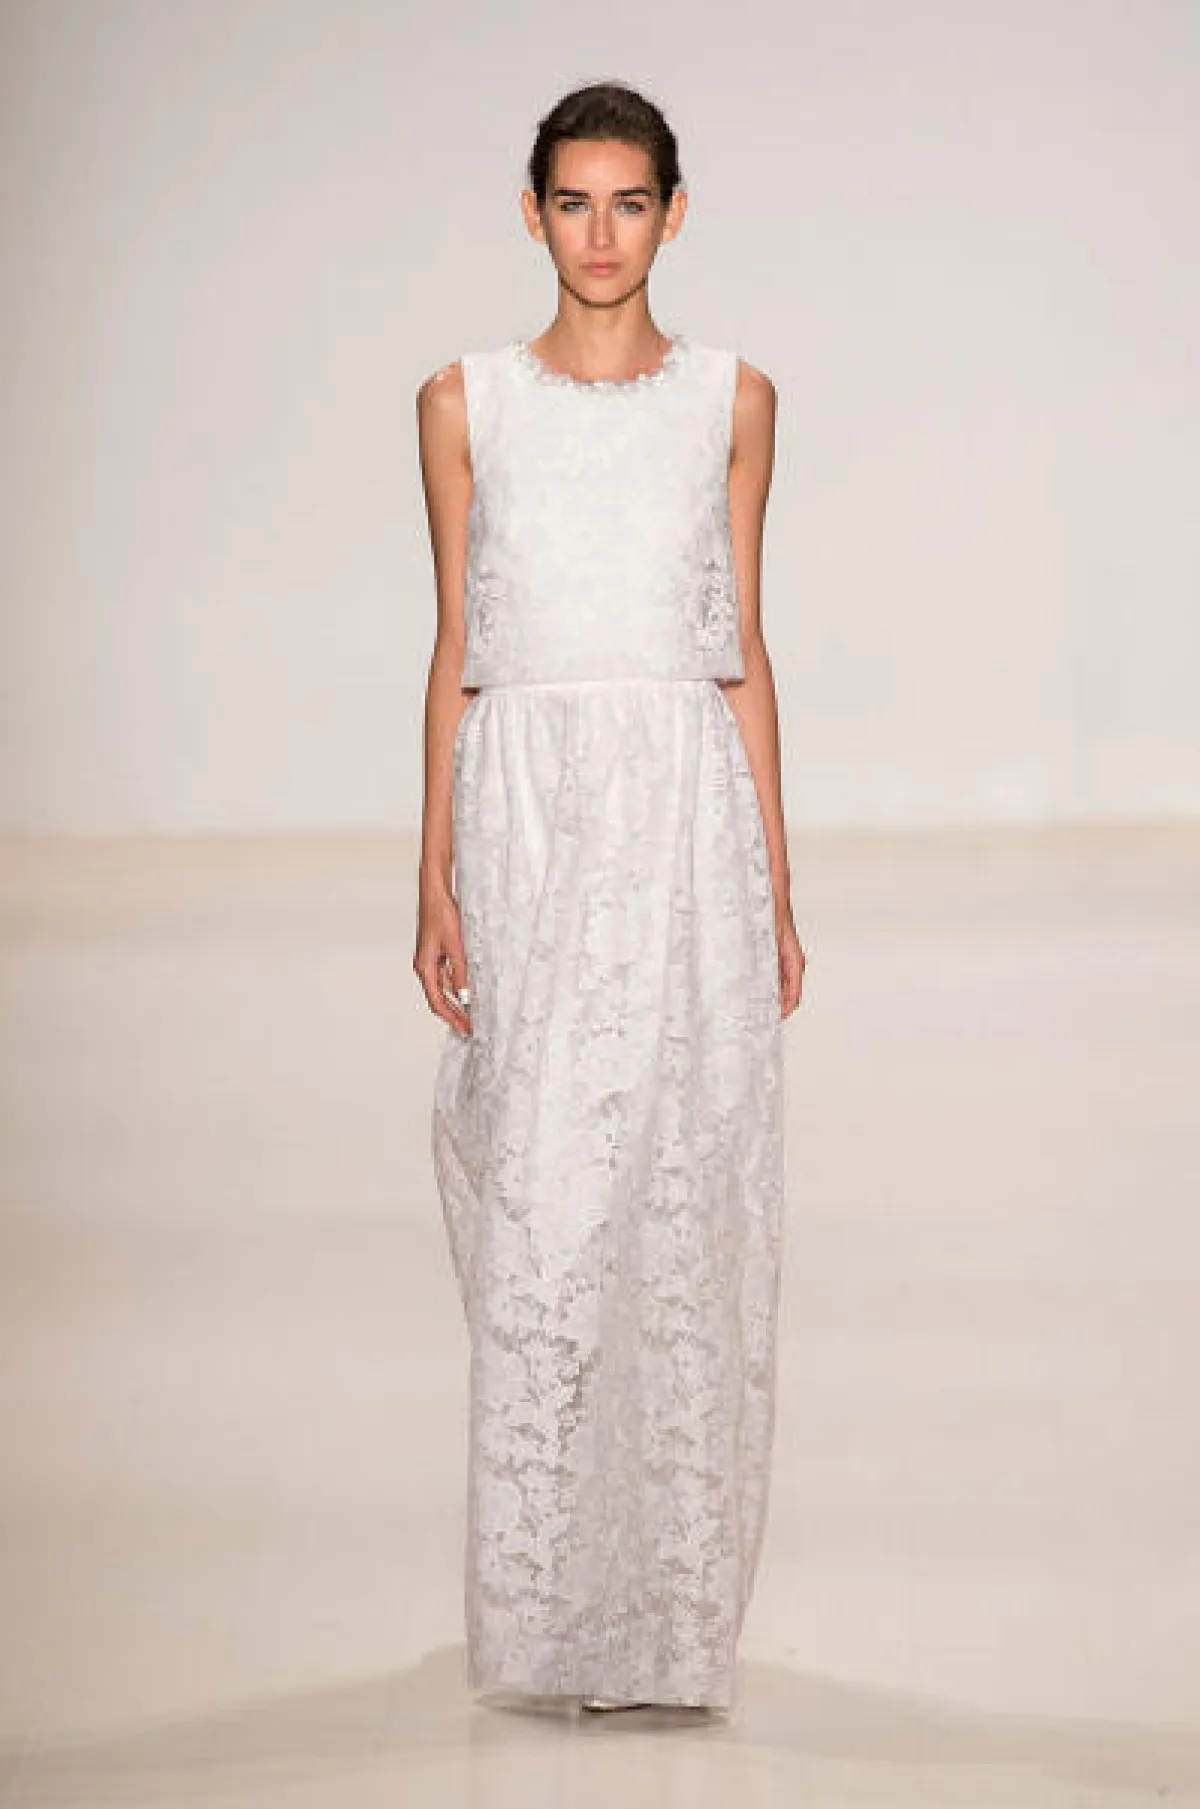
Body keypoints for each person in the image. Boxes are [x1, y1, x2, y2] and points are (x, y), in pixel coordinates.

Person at [414, 80, 805, 1718]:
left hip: (684, 823)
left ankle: (668, 1622)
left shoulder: (733, 398)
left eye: (628, 201)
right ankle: (546, 1615)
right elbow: (458, 641)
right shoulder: (463, 402)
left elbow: (741, 642)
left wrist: (777, 878)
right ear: (532, 213)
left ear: (672, 213)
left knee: (678, 1198)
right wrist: (433, 870)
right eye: (572, 202)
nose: (600, 232)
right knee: (542, 1209)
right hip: (527, 819)